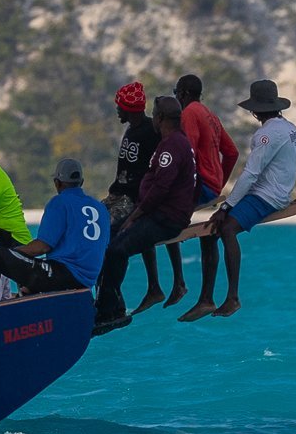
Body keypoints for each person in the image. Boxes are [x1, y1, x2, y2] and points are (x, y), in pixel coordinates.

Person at [180, 79, 296, 321]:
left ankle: (232, 298)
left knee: (226, 228)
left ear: (254, 110)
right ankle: (206, 300)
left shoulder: (265, 135)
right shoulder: (290, 129)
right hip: (274, 194)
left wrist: (226, 207)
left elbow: (250, 174)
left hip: (265, 197)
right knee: (209, 233)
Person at [94, 97, 196, 331]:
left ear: (160, 118)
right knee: (111, 237)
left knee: (115, 251)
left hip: (165, 218)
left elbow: (160, 189)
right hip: (161, 213)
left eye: (154, 114)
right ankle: (111, 305)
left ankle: (108, 311)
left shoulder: (172, 146)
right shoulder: (174, 141)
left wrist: (134, 216)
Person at [0, 158, 110, 303]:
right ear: (82, 182)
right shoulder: (101, 208)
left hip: (63, 275)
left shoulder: (59, 202)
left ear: (57, 183)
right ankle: (27, 298)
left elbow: (41, 247)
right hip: (86, 282)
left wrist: (12, 253)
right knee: (32, 279)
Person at [106, 81, 180, 313]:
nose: (117, 110)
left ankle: (112, 299)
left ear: (129, 109)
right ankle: (152, 286)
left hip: (134, 197)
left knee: (109, 234)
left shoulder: (151, 131)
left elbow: (160, 170)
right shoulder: (131, 129)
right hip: (118, 193)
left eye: (119, 106)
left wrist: (144, 203)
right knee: (87, 222)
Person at [175, 73, 239, 207]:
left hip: (201, 187)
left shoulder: (189, 113)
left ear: (182, 94)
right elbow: (232, 153)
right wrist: (218, 186)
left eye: (176, 93)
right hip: (212, 189)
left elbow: (189, 153)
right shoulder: (211, 116)